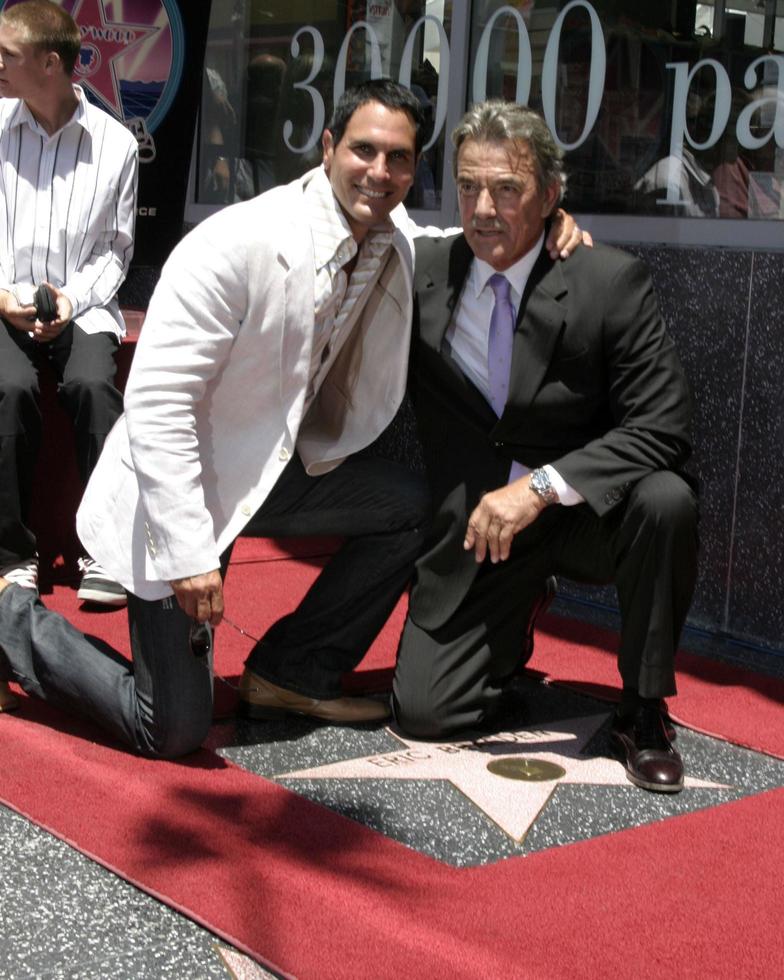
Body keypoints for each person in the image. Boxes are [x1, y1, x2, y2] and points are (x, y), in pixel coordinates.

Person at [0, 78, 585, 752]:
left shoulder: (386, 237)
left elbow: (455, 239)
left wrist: (546, 225)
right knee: (169, 730)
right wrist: (190, 554)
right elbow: (160, 406)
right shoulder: (238, 244)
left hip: (268, 475)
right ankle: (10, 619)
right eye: (364, 149)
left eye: (399, 158)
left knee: (413, 504)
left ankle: (294, 671)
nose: (380, 171)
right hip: (176, 494)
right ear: (329, 147)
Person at [392, 101, 698, 794]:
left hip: (584, 515)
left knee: (666, 498)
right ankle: (515, 620)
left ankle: (643, 709)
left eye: (508, 188)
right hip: (481, 527)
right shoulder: (422, 272)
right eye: (469, 186)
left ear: (551, 194)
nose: (485, 207)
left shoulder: (606, 281)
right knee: (426, 714)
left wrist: (539, 489)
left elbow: (664, 424)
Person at [0, 0, 138, 608]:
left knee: (92, 388)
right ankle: (10, 554)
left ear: (49, 63)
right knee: (7, 390)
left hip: (85, 308)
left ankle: (107, 550)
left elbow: (116, 251)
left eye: (8, 55)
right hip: (1, 302)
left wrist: (71, 300)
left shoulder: (115, 145)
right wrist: (4, 300)